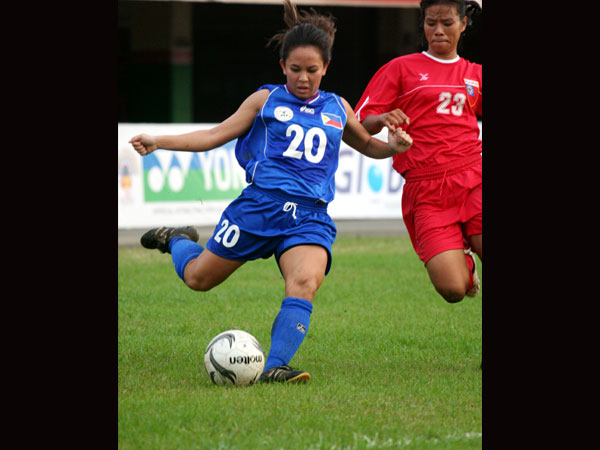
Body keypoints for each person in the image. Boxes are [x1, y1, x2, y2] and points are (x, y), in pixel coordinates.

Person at [129, 0, 413, 384]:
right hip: (259, 208)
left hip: (310, 216)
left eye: (312, 70)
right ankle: (177, 239)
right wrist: (159, 140)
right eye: (295, 69)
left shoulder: (337, 107)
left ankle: (275, 365)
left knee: (305, 283)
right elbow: (213, 135)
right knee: (199, 278)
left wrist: (393, 147)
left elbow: (367, 145)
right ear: (282, 67)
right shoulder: (265, 100)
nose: (303, 78)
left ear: (326, 68)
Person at [354, 0, 482, 304]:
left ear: (463, 24)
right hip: (426, 190)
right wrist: (383, 118)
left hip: (474, 179)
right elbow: (361, 123)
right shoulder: (401, 68)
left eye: (447, 23)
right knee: (453, 289)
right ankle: (464, 263)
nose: (438, 31)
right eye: (430, 23)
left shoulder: (474, 74)